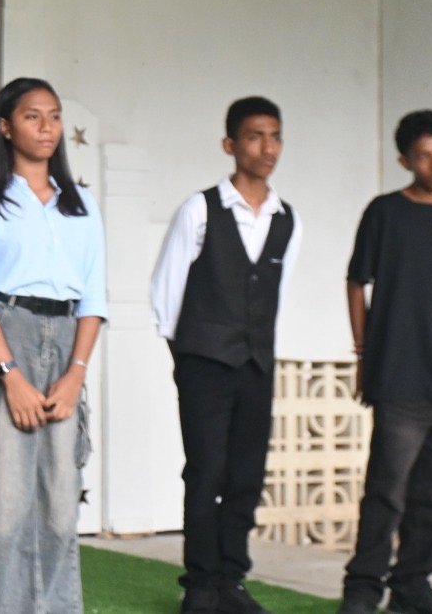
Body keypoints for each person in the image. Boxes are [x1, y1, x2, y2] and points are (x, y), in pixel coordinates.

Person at [0, 77, 107, 614]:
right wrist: (11, 375)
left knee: (58, 510)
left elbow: (94, 297)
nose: (47, 127)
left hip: (65, 351)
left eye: (54, 116)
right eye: (33, 116)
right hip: (1, 345)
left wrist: (76, 373)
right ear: (6, 127)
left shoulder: (81, 206)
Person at [149, 96, 303, 614]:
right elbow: (166, 289)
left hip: (256, 364)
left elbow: (274, 291)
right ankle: (200, 584)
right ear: (230, 144)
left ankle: (231, 581)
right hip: (203, 363)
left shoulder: (288, 219)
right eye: (256, 136)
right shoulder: (200, 210)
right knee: (206, 472)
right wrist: (187, 358)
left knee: (246, 476)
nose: (268, 147)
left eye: (275, 136)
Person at [338, 111, 432, 614]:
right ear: (404, 161)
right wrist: (362, 355)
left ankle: (412, 586)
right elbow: (357, 281)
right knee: (387, 491)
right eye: (423, 156)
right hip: (398, 376)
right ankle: (362, 589)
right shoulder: (384, 212)